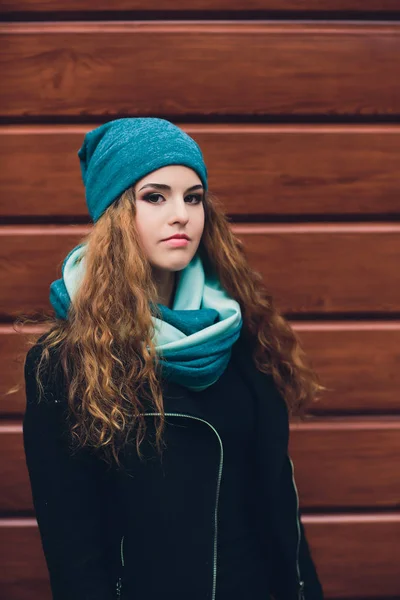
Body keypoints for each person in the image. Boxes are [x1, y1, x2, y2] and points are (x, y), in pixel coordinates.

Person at [21, 117, 325, 600]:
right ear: (117, 213)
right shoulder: (65, 360)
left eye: (194, 196)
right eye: (155, 196)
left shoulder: (238, 333)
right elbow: (74, 553)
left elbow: (278, 511)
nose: (181, 214)